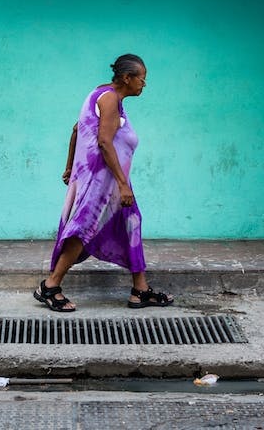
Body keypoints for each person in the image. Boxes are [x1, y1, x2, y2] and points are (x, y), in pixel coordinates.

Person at [34, 54, 174, 313]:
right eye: (142, 79)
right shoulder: (109, 99)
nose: (144, 84)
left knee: (131, 223)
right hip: (103, 181)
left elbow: (77, 129)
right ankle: (49, 286)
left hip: (110, 180)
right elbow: (104, 142)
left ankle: (140, 290)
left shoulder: (103, 94)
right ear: (126, 78)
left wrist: (69, 166)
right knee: (84, 229)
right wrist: (122, 184)